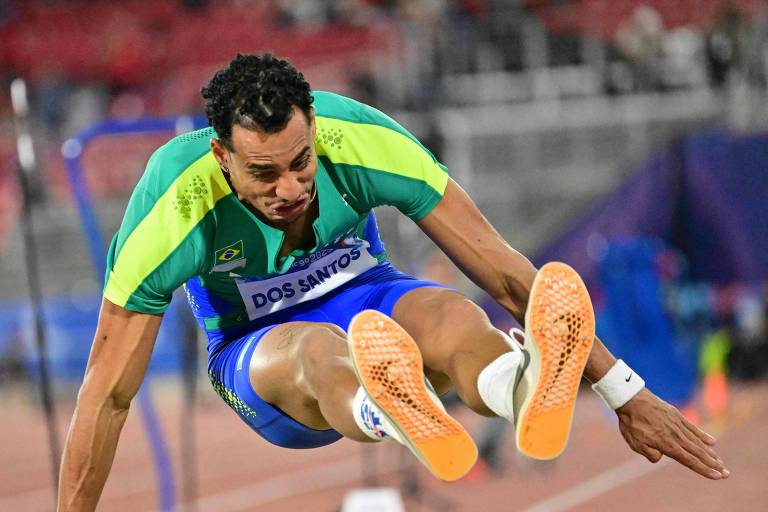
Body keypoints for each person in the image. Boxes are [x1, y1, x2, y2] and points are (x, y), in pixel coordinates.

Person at [57, 54, 728, 510]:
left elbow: (498, 267)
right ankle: (393, 408)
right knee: (318, 354)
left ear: (316, 128)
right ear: (220, 156)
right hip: (260, 352)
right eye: (264, 175)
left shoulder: (365, 140)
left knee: (452, 316)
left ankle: (515, 384)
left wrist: (622, 390)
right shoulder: (171, 209)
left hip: (372, 297)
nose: (290, 188)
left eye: (300, 162)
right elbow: (107, 394)